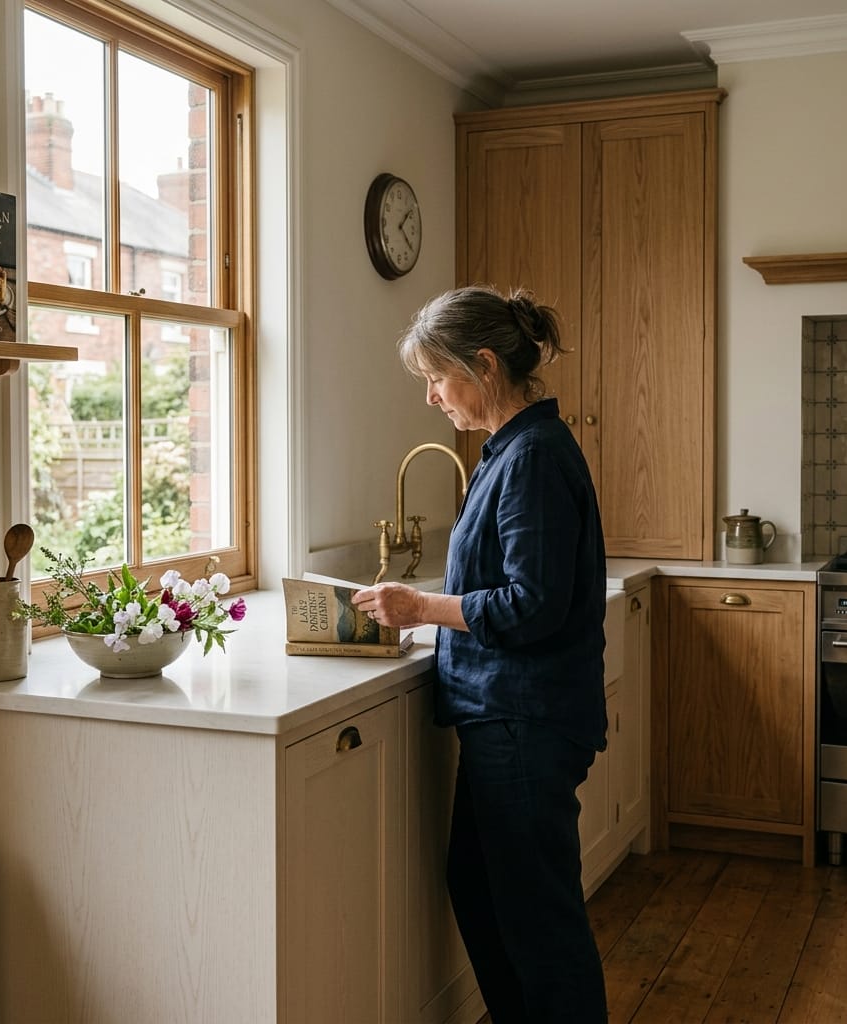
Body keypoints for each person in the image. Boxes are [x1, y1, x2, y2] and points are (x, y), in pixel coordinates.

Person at [351, 284, 609, 1022]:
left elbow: (532, 603)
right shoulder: (515, 452)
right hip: (510, 717)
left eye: (438, 377)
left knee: (541, 926)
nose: (433, 398)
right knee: (481, 887)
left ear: (486, 366)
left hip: (525, 722)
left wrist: (420, 608)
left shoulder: (530, 458)